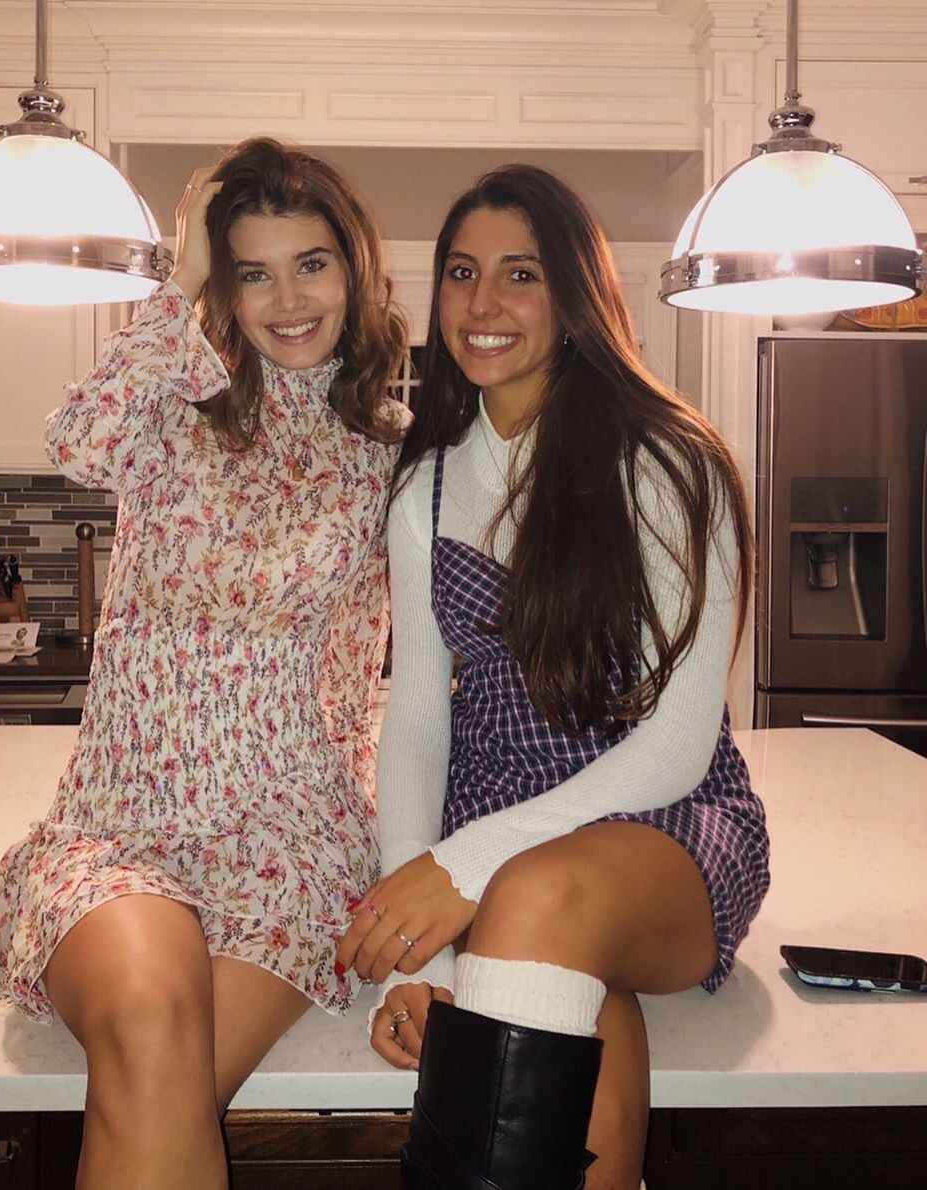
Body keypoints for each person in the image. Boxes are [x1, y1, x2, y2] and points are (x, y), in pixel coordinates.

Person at [0, 137, 408, 1190]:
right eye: (253, 272)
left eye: (311, 264)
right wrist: (179, 277)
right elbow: (74, 438)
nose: (287, 300)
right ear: (224, 286)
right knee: (152, 1024)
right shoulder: (173, 402)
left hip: (294, 842)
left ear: (355, 270)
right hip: (125, 821)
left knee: (157, 1087)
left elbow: (432, 668)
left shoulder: (393, 450)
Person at [336, 165, 771, 1190]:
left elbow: (679, 743)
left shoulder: (669, 462)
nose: (482, 303)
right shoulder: (427, 484)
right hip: (492, 824)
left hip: (663, 821)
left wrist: (465, 868)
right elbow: (417, 722)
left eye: (520, 274)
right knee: (569, 1005)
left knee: (532, 897)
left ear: (575, 291)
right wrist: (420, 960)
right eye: (461, 273)